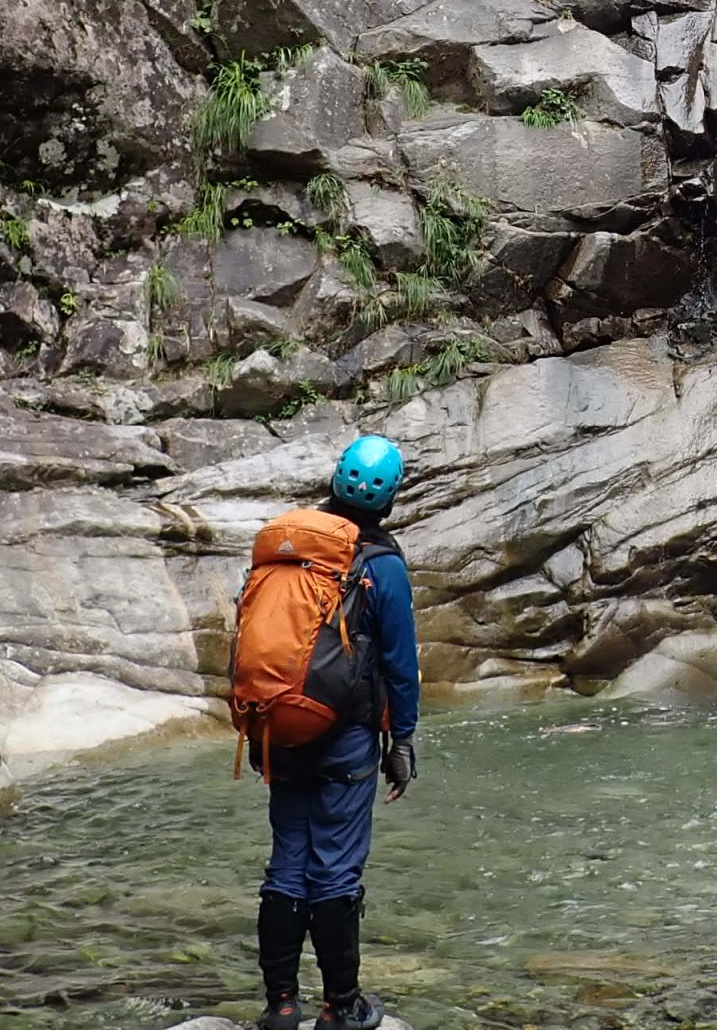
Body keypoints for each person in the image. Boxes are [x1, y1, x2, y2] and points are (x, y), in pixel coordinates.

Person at [253, 435, 420, 1030]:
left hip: (281, 731)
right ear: (391, 499)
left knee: (287, 864)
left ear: (334, 481)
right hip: (345, 740)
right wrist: (401, 742)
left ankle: (279, 1006)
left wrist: (257, 731)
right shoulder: (382, 565)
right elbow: (400, 664)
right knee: (336, 870)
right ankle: (341, 1008)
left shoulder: (289, 546)